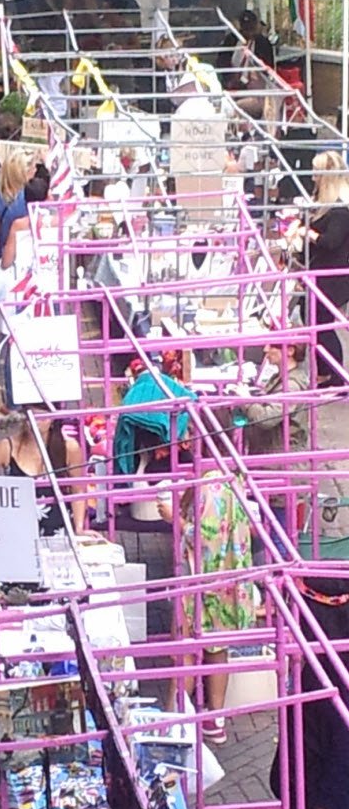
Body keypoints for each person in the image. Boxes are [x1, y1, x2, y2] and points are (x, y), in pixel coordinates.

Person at [158, 471, 254, 745]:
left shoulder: (211, 486)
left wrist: (174, 519)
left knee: (184, 648)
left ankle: (172, 724)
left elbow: (205, 538)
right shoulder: (231, 477)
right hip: (225, 580)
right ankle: (215, 719)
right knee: (216, 647)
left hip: (201, 580)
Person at [236, 341, 311, 547]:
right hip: (270, 464)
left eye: (272, 347)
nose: (265, 350)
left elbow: (267, 418)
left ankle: (281, 574)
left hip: (281, 468)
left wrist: (246, 401)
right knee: (272, 526)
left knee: (280, 533)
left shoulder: (293, 385)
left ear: (290, 350)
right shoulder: (280, 378)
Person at [0, 407, 86, 535]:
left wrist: (79, 528)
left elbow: (78, 491)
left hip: (59, 529)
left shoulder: (69, 447)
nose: (37, 422)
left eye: (44, 417)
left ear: (52, 419)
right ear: (24, 418)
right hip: (18, 530)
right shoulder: (7, 447)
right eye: (33, 416)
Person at [297, 150, 349, 386]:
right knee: (314, 319)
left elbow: (332, 241)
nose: (313, 178)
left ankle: (334, 374)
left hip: (331, 277)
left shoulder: (340, 209)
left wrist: (309, 234)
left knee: (322, 323)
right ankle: (327, 371)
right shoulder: (325, 204)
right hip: (319, 272)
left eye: (317, 173)